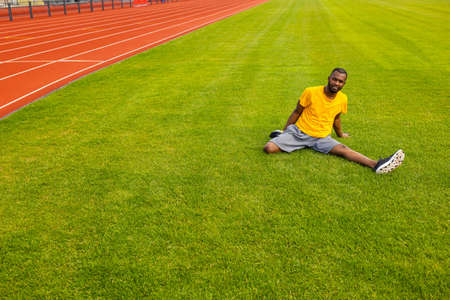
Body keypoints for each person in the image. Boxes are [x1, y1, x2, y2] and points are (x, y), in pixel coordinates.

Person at [263, 68, 404, 174]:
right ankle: (282, 136)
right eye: (334, 79)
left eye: (340, 81)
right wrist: (286, 130)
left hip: (321, 137)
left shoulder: (343, 98)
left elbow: (336, 118)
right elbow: (297, 111)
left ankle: (376, 165)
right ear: (329, 78)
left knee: (343, 150)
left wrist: (340, 134)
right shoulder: (311, 92)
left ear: (344, 83)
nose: (336, 83)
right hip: (299, 132)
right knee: (269, 148)